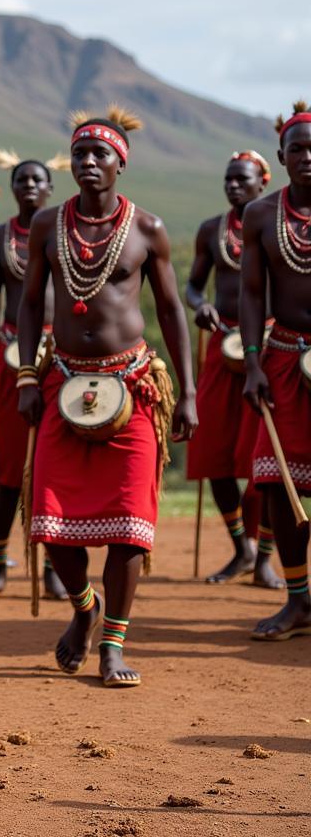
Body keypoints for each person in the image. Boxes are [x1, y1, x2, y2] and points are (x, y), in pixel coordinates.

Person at [18, 105, 196, 688]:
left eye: (100, 154)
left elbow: (170, 310)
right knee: (49, 519)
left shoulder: (148, 229)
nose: (87, 163)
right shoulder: (48, 225)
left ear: (121, 163)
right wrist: (25, 377)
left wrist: (188, 392)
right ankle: (84, 607)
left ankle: (112, 645)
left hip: (134, 384)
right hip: (61, 380)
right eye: (79, 154)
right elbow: (28, 305)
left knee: (129, 525)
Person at [0, 152, 66, 599]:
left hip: (61, 361)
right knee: (6, 470)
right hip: (9, 357)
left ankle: (52, 565)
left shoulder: (65, 231)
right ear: (12, 188)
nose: (29, 185)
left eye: (37, 180)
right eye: (22, 179)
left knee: (52, 465)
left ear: (50, 188)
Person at [186, 152, 282, 587]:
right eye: (227, 179)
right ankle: (241, 547)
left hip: (267, 350)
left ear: (263, 181)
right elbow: (193, 284)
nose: (233, 185)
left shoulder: (278, 225)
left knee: (265, 458)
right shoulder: (211, 230)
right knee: (213, 452)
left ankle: (265, 556)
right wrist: (199, 304)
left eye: (242, 179)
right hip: (220, 348)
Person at [242, 101, 311, 641]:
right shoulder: (262, 216)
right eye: (298, 149)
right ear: (281, 157)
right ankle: (297, 599)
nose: (307, 157)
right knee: (276, 483)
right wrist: (252, 363)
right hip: (282, 356)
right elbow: (250, 293)